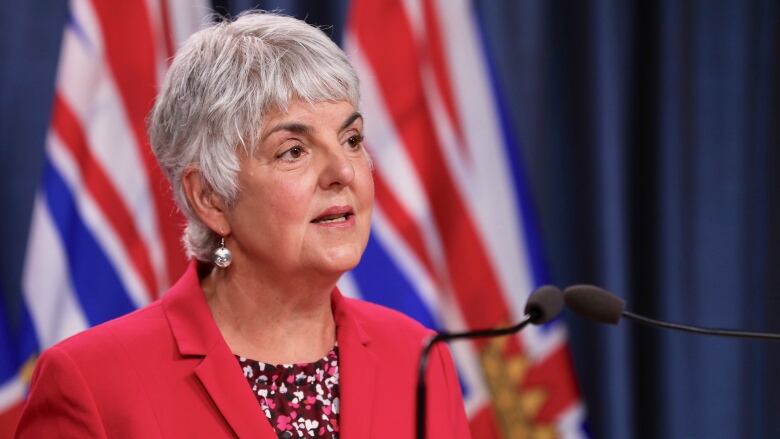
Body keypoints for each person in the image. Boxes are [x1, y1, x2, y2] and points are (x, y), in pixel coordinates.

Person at [15, 11, 469, 439]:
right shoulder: (92, 385)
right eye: (293, 150)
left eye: (351, 139)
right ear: (211, 196)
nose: (344, 171)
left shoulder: (419, 359)